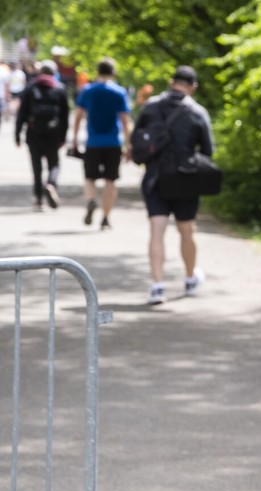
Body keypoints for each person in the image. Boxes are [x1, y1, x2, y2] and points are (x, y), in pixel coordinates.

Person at [129, 65, 214, 305]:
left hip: (155, 177)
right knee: (187, 230)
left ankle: (157, 286)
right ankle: (189, 279)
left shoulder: (151, 106)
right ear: (193, 86)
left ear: (171, 82)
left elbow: (136, 140)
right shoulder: (197, 111)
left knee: (157, 230)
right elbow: (208, 150)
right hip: (185, 179)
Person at [71, 57, 132, 230]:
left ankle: (91, 200)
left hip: (93, 142)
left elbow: (77, 116)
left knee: (90, 177)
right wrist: (129, 145)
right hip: (113, 142)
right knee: (110, 181)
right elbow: (125, 121)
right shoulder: (119, 92)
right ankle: (106, 218)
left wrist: (75, 139)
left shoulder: (87, 90)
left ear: (97, 72)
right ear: (113, 73)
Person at [14, 60, 68, 211]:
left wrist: (17, 134)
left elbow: (22, 113)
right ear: (54, 73)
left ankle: (39, 200)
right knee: (54, 164)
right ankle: (51, 183)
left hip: (33, 133)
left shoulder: (31, 87)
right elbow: (64, 116)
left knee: (36, 167)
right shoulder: (59, 88)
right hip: (53, 134)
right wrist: (63, 137)